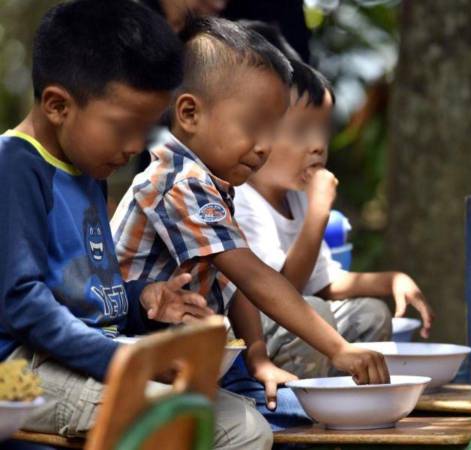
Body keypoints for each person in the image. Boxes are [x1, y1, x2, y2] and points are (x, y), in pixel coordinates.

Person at [0, 2, 271, 448]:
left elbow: (87, 298)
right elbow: (22, 303)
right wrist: (124, 360)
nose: (133, 147)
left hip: (81, 357)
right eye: (124, 127)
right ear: (57, 105)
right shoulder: (16, 167)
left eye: (145, 131)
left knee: (240, 418)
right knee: (228, 428)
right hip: (21, 371)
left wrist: (141, 298)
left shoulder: (88, 168)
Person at [111, 18, 389, 403]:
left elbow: (235, 282)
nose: (264, 146)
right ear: (190, 113)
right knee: (281, 419)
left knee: (288, 408)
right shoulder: (181, 181)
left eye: (272, 130)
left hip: (192, 349)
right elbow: (253, 276)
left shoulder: (215, 183)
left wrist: (258, 358)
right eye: (252, 126)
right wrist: (338, 348)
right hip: (136, 355)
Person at [233, 23, 434, 377]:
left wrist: (389, 280)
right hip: (247, 337)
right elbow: (284, 294)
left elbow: (323, 281)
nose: (317, 146)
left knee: (370, 313)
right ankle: (301, 414)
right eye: (300, 131)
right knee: (314, 312)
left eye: (323, 131)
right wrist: (318, 215)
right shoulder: (243, 200)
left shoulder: (294, 197)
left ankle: (349, 406)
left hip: (292, 316)